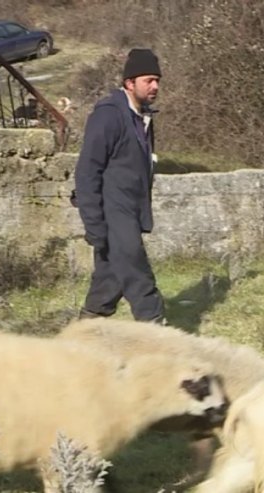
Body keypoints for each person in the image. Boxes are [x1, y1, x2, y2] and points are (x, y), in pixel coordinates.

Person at [74, 48, 165, 323]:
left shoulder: (143, 118)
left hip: (130, 209)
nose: (155, 86)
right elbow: (87, 172)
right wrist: (94, 224)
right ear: (129, 82)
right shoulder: (109, 115)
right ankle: (157, 331)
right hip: (112, 210)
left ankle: (85, 332)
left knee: (110, 276)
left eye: (157, 80)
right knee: (136, 271)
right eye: (148, 80)